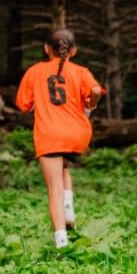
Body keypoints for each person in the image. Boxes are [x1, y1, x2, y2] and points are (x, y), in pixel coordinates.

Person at [15, 28, 105, 248]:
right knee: (63, 166)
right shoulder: (81, 71)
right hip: (77, 134)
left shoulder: (36, 71)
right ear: (73, 51)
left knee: (53, 186)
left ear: (46, 49)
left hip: (49, 134)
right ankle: (68, 208)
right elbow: (95, 89)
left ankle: (61, 240)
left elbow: (23, 105)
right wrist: (91, 104)